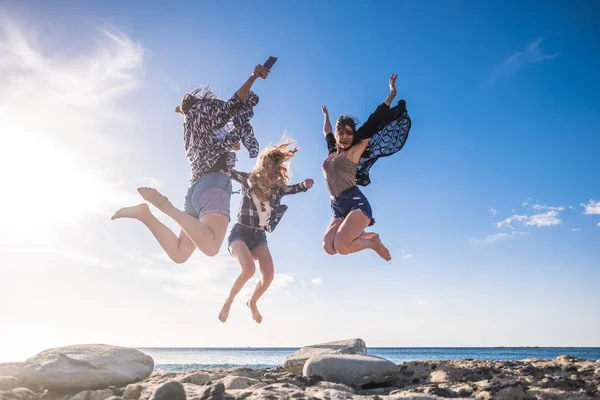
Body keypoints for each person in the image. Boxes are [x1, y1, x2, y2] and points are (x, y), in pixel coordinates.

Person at [111, 63, 270, 263]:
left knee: (179, 254)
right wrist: (252, 77)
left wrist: (230, 142)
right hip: (214, 184)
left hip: (196, 190)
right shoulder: (210, 111)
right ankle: (166, 207)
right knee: (211, 247)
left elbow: (215, 137)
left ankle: (145, 215)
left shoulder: (190, 127)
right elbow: (233, 106)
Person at [219, 141, 314, 323]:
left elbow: (294, 189)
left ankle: (252, 302)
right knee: (248, 269)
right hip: (240, 234)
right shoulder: (248, 180)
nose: (270, 167)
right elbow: (227, 169)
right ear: (262, 163)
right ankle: (228, 302)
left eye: (275, 165)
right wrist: (227, 148)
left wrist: (304, 184)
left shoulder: (278, 189)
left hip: (259, 237)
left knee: (269, 276)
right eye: (268, 163)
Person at [321, 73, 410, 261]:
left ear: (354, 136)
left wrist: (391, 94)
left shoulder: (354, 150)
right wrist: (327, 116)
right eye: (341, 133)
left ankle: (373, 244)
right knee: (328, 247)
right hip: (337, 206)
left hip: (355, 203)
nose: (345, 136)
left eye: (349, 133)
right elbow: (327, 131)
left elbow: (374, 119)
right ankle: (362, 236)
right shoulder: (331, 152)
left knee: (341, 246)